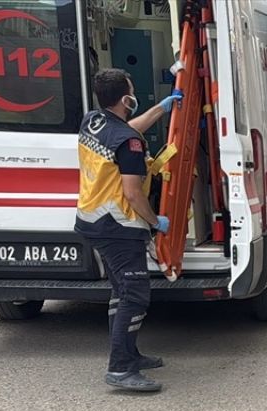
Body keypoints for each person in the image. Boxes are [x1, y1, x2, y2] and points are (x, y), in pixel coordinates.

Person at [75, 69, 181, 392]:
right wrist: (154, 221)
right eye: (133, 91)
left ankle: (128, 353)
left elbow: (125, 130)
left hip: (92, 220)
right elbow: (134, 193)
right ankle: (120, 368)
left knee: (121, 291)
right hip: (117, 226)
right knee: (134, 295)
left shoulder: (93, 121)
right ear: (126, 99)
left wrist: (162, 109)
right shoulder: (131, 145)